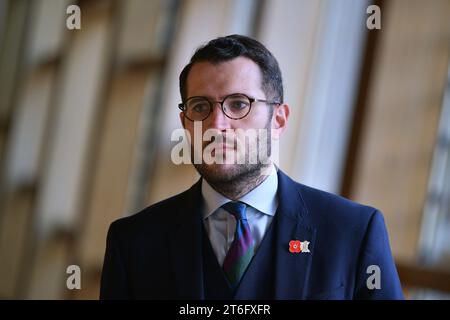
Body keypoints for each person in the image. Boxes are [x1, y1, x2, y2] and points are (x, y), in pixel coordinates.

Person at [100, 34, 403, 299]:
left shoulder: (353, 232)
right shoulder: (133, 243)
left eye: (239, 103)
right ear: (185, 123)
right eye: (200, 107)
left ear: (279, 120)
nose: (216, 125)